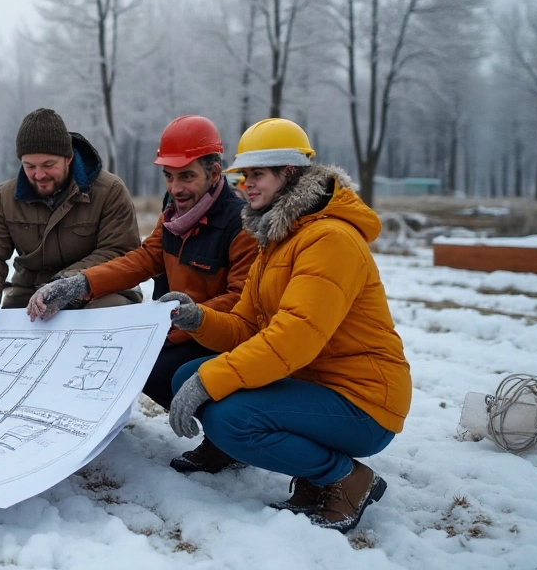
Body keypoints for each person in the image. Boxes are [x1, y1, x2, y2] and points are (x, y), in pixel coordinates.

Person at [165, 118, 410, 533]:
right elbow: (246, 325)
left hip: (364, 401)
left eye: (258, 175)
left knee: (231, 417)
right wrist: (198, 318)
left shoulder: (330, 239)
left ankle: (345, 478)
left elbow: (292, 339)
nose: (246, 186)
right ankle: (314, 479)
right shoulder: (279, 236)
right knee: (186, 372)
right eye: (244, 176)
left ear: (290, 173)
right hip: (317, 385)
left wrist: (212, 380)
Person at [25, 115, 258, 474]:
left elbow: (241, 301)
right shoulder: (175, 215)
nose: (176, 187)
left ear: (214, 175)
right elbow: (141, 259)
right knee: (137, 363)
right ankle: (221, 440)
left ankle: (228, 439)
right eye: (168, 176)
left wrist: (168, 326)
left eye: (186, 176)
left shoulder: (240, 223)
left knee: (162, 369)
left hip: (222, 334)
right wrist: (79, 283)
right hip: (181, 327)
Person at [0, 108, 143, 342]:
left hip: (98, 292)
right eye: (30, 166)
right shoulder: (5, 196)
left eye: (48, 165)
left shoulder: (109, 191)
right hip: (30, 296)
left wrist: (67, 284)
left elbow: (120, 251)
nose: (39, 175)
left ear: (68, 158)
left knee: (104, 323)